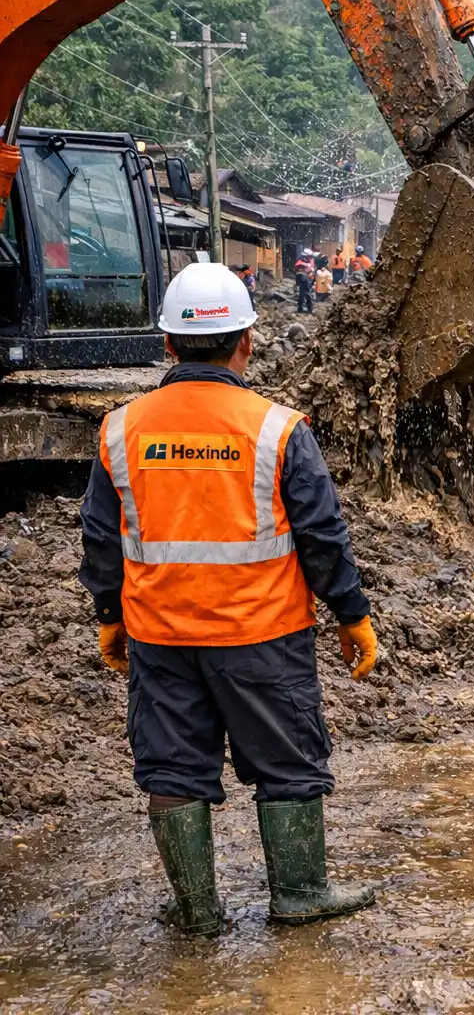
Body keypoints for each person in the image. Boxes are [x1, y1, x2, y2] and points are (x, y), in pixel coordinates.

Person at [79, 262, 377, 935]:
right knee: (289, 762)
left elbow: (101, 537)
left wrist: (108, 616)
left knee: (173, 767)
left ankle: (198, 909)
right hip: (263, 637)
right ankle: (299, 893)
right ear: (246, 342)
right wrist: (352, 615)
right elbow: (322, 536)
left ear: (167, 346)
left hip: (162, 638)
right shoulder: (275, 428)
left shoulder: (121, 429)